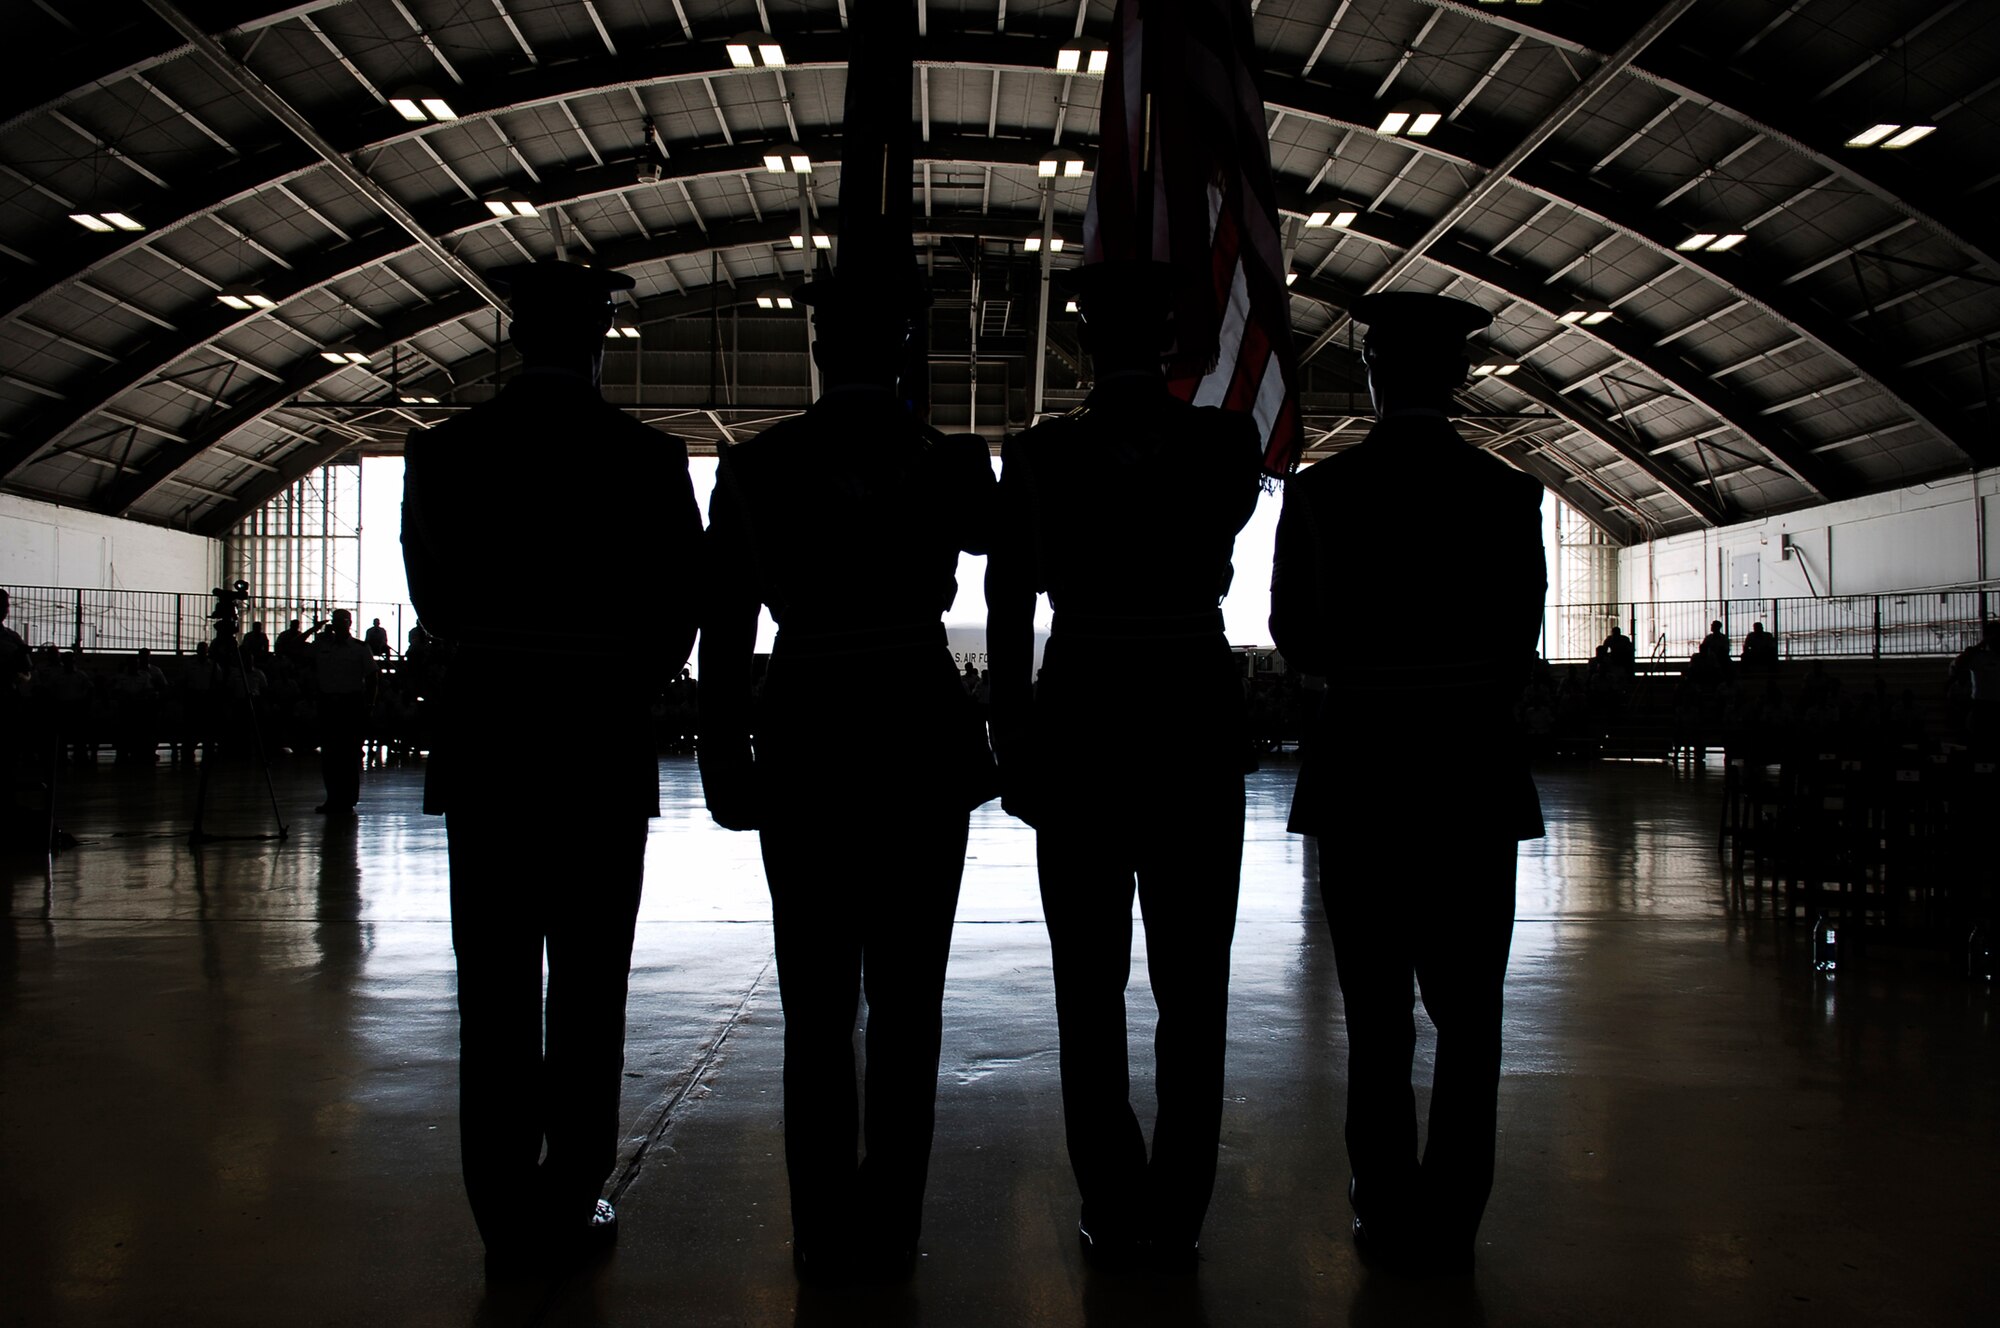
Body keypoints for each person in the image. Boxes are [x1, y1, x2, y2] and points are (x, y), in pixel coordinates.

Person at [699, 250, 996, 1286]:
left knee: (815, 1007)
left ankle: (824, 1227)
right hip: (917, 736)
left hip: (808, 736)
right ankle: (890, 1226)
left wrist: (720, 750)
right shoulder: (950, 461)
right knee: (909, 1004)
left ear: (819, 344)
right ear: (907, 342)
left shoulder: (756, 465)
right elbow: (1013, 559)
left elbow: (725, 626)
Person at [403, 259, 701, 1274]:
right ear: (598, 335)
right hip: (595, 746)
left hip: (490, 746)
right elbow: (674, 620)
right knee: (588, 988)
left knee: (491, 990)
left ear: (516, 331)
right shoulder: (648, 460)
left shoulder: (443, 454)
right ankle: (570, 1199)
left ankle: (501, 1216)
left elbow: (437, 605)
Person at [986, 259, 1261, 1272]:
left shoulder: (1044, 453)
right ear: (1168, 341)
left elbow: (1012, 601)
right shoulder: (1221, 442)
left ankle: (1111, 1197)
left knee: (1087, 986)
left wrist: (1012, 736)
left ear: (1084, 344)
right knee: (1195, 990)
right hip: (1188, 722)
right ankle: (1176, 1208)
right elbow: (1220, 539)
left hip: (1083, 723)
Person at [1269, 291, 1545, 1278]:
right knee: (1469, 1018)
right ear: (1459, 377)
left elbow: (1295, 631)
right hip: (1468, 776)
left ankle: (1385, 1207)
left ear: (1373, 375)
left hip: (1367, 774)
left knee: (1377, 1016)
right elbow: (1519, 638)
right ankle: (1451, 1215)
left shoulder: (1322, 496)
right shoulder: (1507, 496)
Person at [309, 609, 378, 813]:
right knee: (329, 755)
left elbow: (373, 677)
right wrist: (315, 630)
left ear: (348, 623)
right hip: (328, 703)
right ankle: (332, 798)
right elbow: (291, 648)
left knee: (348, 755)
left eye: (341, 621)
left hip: (350, 704)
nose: (338, 625)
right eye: (335, 621)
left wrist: (369, 705)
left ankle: (347, 799)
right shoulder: (322, 645)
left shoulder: (359, 648)